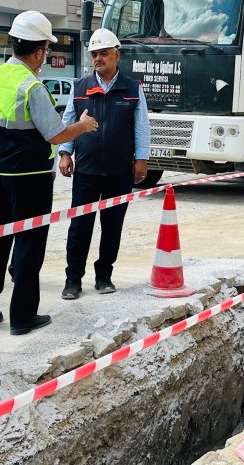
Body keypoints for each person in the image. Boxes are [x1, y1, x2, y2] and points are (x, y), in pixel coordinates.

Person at [0, 11, 98, 335]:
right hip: (29, 182)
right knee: (28, 247)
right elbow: (56, 135)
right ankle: (22, 318)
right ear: (40, 50)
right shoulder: (32, 88)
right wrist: (83, 127)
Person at [57, 29, 151, 299]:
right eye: (94, 54)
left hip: (120, 172)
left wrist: (141, 160)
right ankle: (73, 279)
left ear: (116, 55)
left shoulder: (133, 89)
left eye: (104, 53)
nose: (98, 58)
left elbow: (142, 127)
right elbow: (68, 123)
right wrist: (65, 153)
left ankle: (104, 276)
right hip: (86, 171)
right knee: (79, 228)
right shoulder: (80, 87)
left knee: (112, 227)